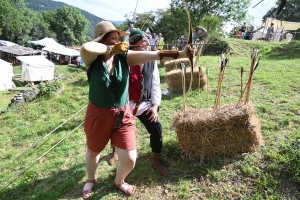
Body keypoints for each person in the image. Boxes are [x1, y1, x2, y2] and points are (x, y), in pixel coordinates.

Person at [80, 21, 193, 198]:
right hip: (98, 115)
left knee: (130, 159)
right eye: (113, 37)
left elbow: (155, 55)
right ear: (102, 41)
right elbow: (86, 47)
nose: (118, 40)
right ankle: (90, 179)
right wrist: (112, 50)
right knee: (94, 151)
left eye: (119, 37)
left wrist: (181, 53)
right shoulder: (91, 59)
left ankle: (119, 181)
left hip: (122, 114)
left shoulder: (126, 56)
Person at [108, 29, 170, 176]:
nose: (148, 43)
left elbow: (155, 83)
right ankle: (115, 151)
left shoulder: (151, 59)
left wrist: (155, 106)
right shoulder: (123, 58)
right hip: (124, 104)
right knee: (116, 128)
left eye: (148, 40)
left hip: (144, 105)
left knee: (156, 129)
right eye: (144, 41)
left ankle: (156, 159)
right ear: (135, 43)